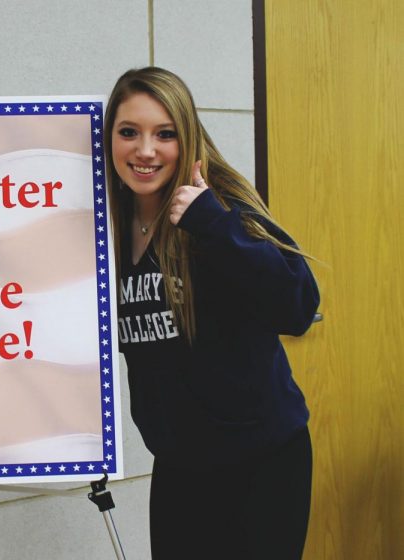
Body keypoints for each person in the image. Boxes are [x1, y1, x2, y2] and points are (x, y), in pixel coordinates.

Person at [104, 67, 319, 559]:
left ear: (188, 137)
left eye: (165, 134)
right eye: (129, 132)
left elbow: (299, 305)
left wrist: (215, 228)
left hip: (262, 464)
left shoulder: (219, 211)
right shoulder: (108, 225)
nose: (145, 150)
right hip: (180, 466)